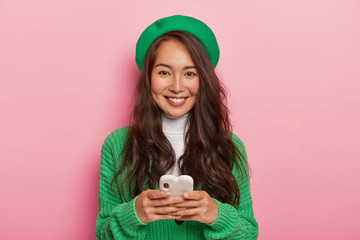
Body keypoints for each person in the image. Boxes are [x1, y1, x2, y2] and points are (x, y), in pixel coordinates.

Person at [95, 15, 259, 239]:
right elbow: (103, 235)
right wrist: (135, 214)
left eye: (189, 73)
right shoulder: (117, 145)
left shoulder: (229, 146)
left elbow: (249, 233)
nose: (177, 86)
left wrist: (216, 215)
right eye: (164, 72)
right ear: (148, 78)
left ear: (203, 81)